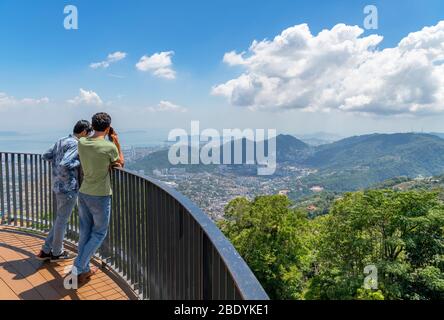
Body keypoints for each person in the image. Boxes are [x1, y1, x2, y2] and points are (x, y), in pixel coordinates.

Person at [72, 112, 124, 284]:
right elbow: (120, 162)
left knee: (85, 231)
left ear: (92, 126)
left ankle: (84, 270)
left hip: (84, 192)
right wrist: (115, 140)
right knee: (100, 232)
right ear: (108, 128)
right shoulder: (109, 146)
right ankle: (79, 265)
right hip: (100, 195)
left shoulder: (82, 142)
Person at [36, 120, 92, 262]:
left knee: (60, 219)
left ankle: (46, 250)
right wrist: (81, 161)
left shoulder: (62, 140)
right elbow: (66, 163)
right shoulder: (75, 144)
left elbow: (46, 155)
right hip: (68, 187)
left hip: (57, 184)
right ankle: (57, 252)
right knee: (62, 221)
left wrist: (57, 166)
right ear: (84, 132)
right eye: (88, 134)